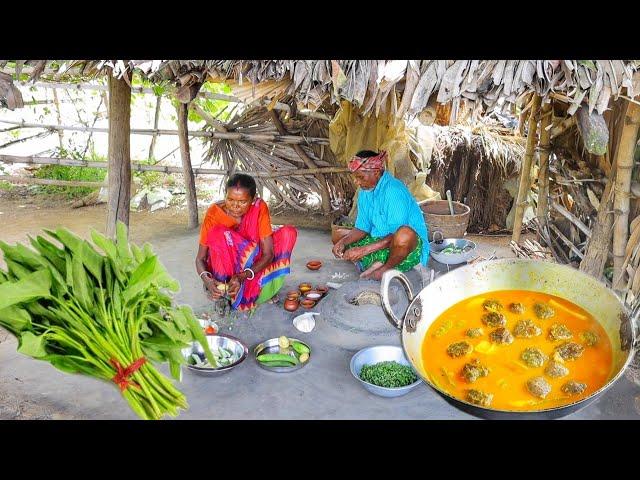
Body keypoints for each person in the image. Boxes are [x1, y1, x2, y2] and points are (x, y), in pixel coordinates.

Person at [196, 173, 298, 311]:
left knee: (288, 233)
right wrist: (206, 280)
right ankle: (223, 293)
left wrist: (243, 276)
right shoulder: (214, 214)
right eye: (230, 199)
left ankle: (264, 289)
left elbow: (268, 253)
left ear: (253, 199)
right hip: (226, 266)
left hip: (251, 265)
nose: (235, 206)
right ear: (224, 195)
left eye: (242, 202)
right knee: (219, 234)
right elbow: (200, 258)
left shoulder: (259, 207)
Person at [332, 150, 429, 281]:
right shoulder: (364, 192)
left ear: (376, 172)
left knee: (404, 235)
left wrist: (364, 250)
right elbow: (362, 227)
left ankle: (384, 269)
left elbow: (395, 235)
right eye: (355, 177)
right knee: (338, 236)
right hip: (379, 239)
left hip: (404, 244)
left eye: (360, 177)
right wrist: (343, 242)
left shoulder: (393, 191)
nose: (357, 182)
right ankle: (374, 263)